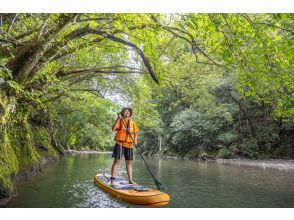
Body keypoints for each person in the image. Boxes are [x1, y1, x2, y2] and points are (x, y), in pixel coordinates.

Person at [110, 107, 139, 185]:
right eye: (126, 111)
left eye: (129, 111)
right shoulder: (120, 120)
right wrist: (117, 119)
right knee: (117, 161)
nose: (127, 112)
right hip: (120, 143)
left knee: (129, 163)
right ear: (122, 113)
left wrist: (135, 141)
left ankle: (130, 180)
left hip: (129, 145)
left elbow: (135, 133)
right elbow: (113, 129)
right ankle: (112, 180)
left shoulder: (133, 122)